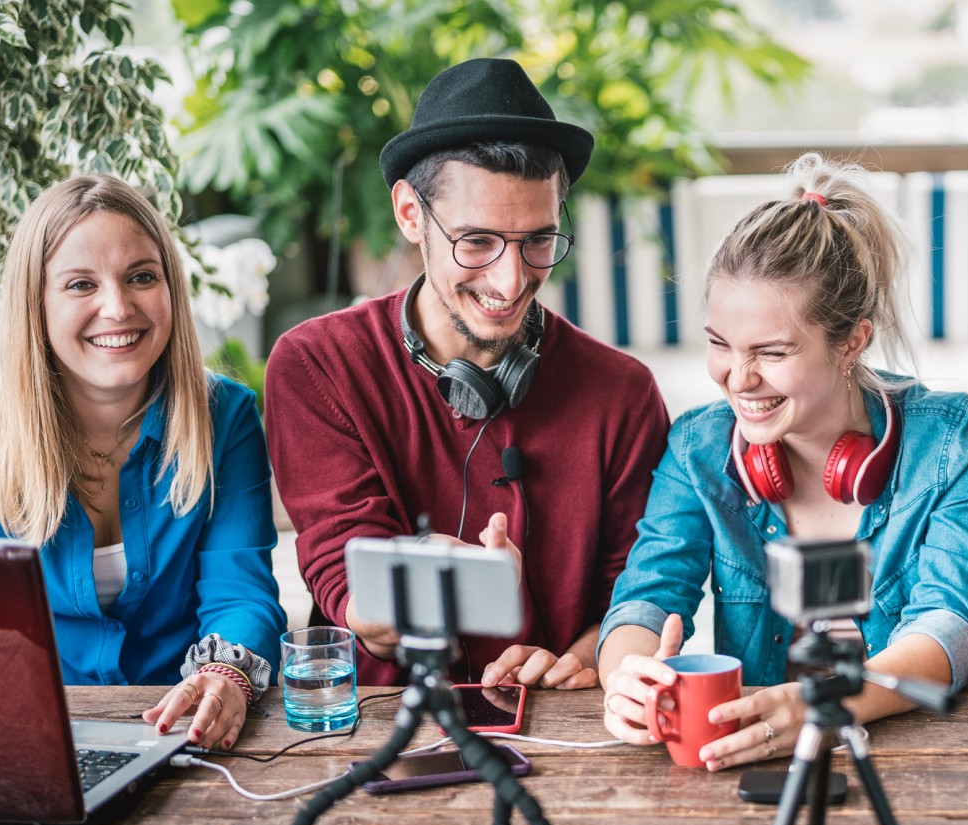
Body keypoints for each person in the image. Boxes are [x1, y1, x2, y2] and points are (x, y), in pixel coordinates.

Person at [597, 153, 968, 771]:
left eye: (771, 351)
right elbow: (646, 599)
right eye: (719, 344)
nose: (738, 379)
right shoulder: (697, 447)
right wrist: (625, 677)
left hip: (917, 762)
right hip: (747, 764)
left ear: (853, 340)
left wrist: (825, 706)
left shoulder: (958, 439)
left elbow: (949, 628)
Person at [265, 58, 670, 688]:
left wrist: (581, 662)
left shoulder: (623, 393)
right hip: (380, 726)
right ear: (409, 214)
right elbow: (341, 575)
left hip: (562, 731)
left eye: (539, 240)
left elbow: (639, 588)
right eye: (476, 242)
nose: (511, 281)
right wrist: (425, 589)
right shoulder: (318, 365)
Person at [0, 174, 285, 750]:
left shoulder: (224, 417)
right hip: (13, 734)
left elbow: (241, 592)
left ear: (170, 289)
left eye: (141, 277)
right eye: (81, 284)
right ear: (36, 304)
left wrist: (225, 675)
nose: (117, 307)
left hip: (182, 732)